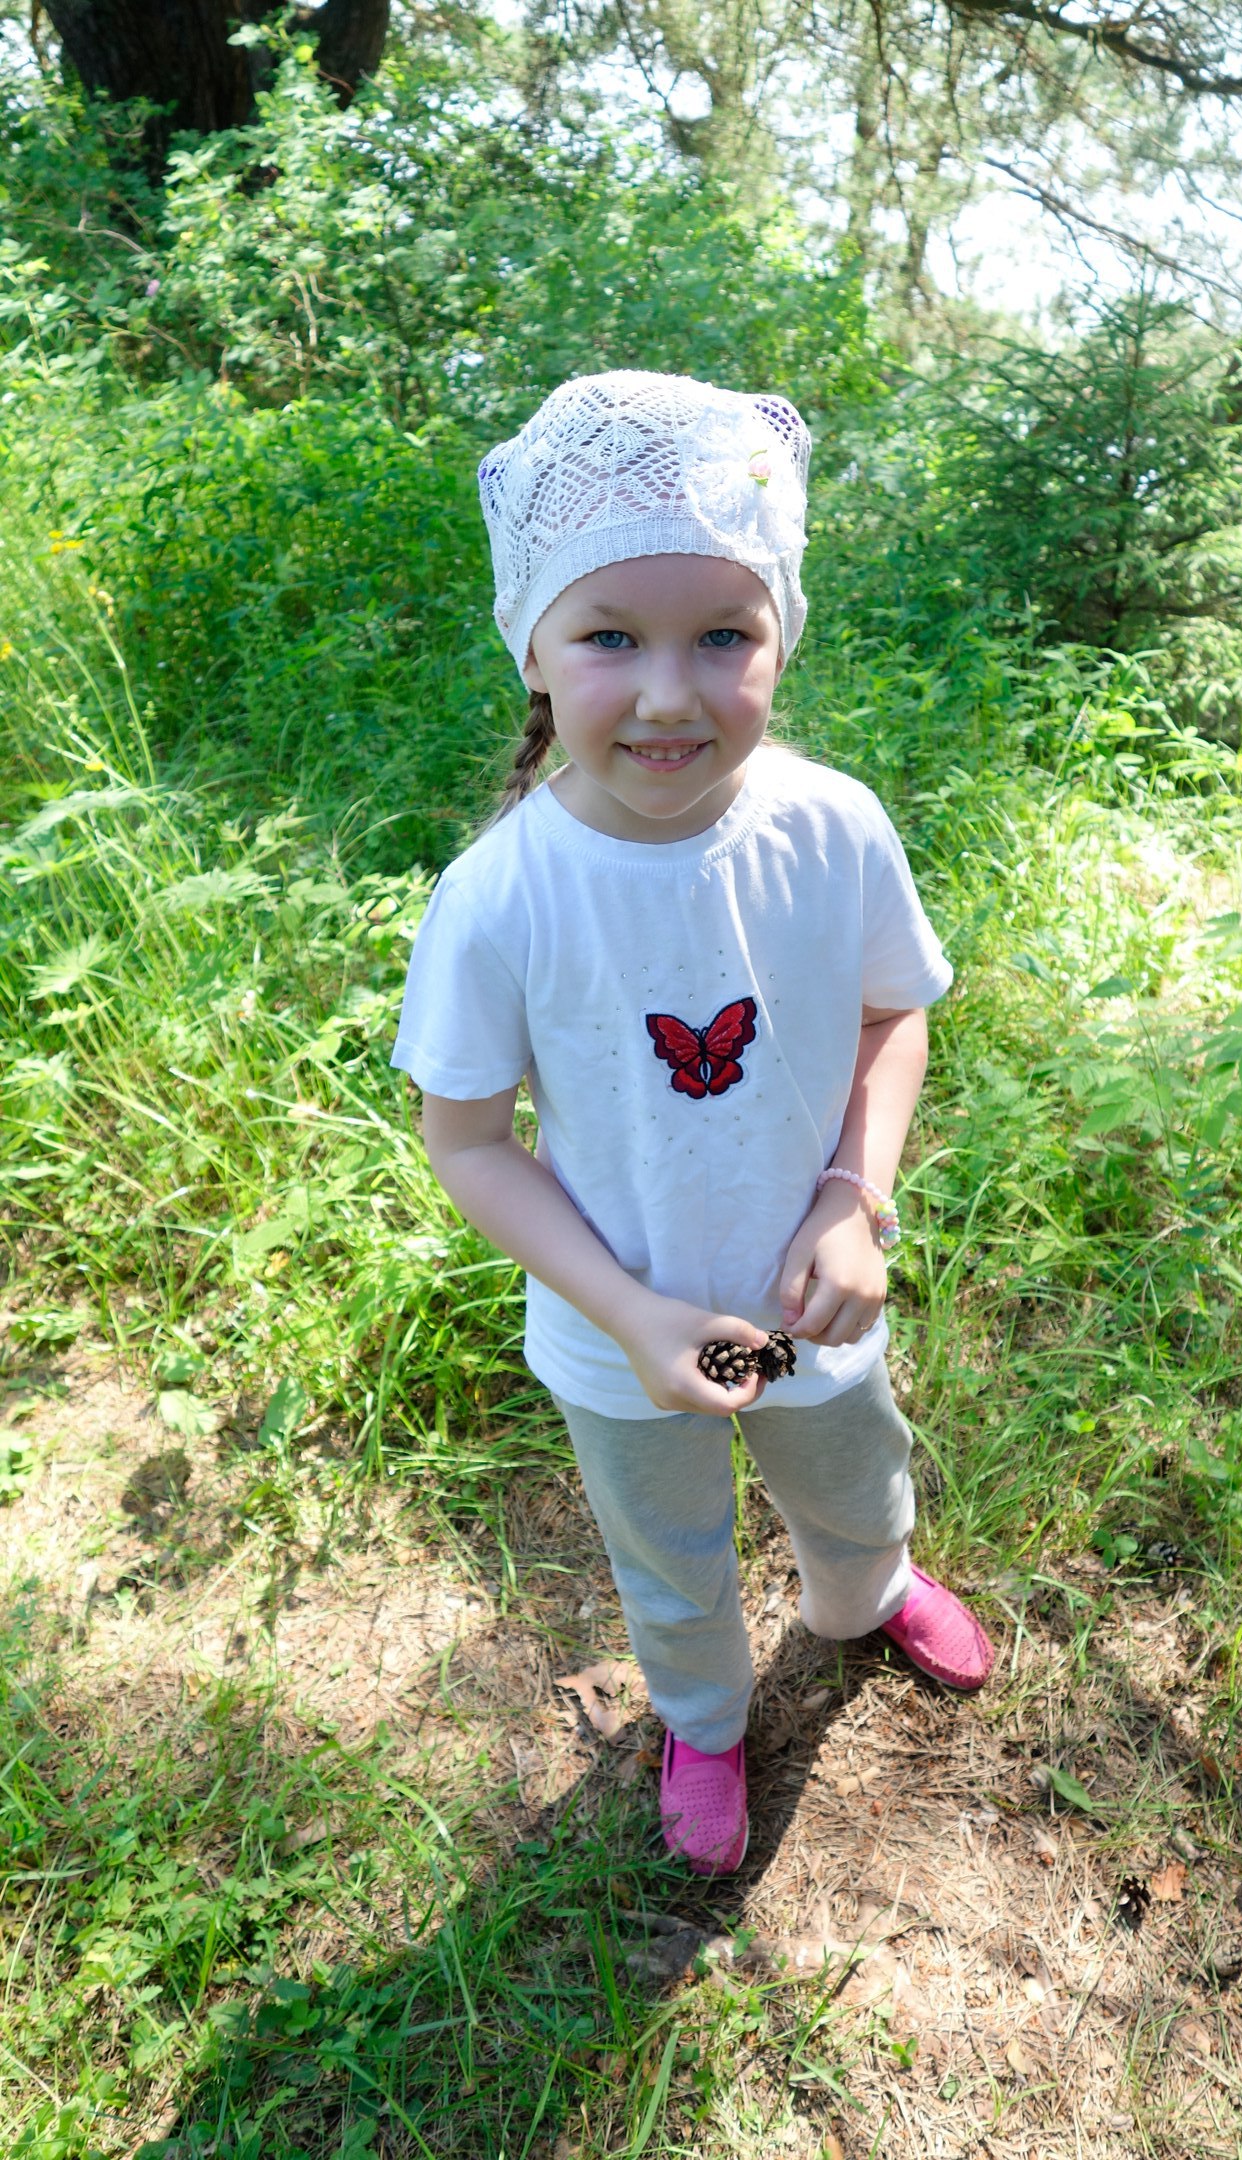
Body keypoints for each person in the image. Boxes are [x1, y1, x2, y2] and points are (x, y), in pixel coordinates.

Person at [392, 371, 994, 1875]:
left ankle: (865, 1599)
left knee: (855, 1484)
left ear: (781, 636)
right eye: (610, 638)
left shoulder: (833, 827)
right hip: (623, 1332)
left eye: (723, 635)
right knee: (668, 1553)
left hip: (813, 1293)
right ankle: (707, 1718)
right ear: (533, 649)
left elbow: (891, 1015)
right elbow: (469, 1141)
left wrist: (853, 1199)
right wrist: (635, 1315)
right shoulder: (501, 898)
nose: (669, 693)